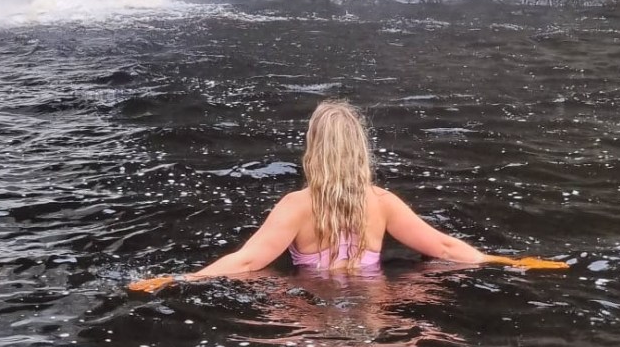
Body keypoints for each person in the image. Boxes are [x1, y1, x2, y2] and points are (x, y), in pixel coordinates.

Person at [130, 99, 563, 292]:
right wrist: (508, 262)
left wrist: (176, 279)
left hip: (312, 304)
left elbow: (245, 262)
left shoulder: (296, 208)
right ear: (360, 149)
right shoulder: (383, 203)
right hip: (371, 296)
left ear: (312, 148)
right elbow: (446, 247)